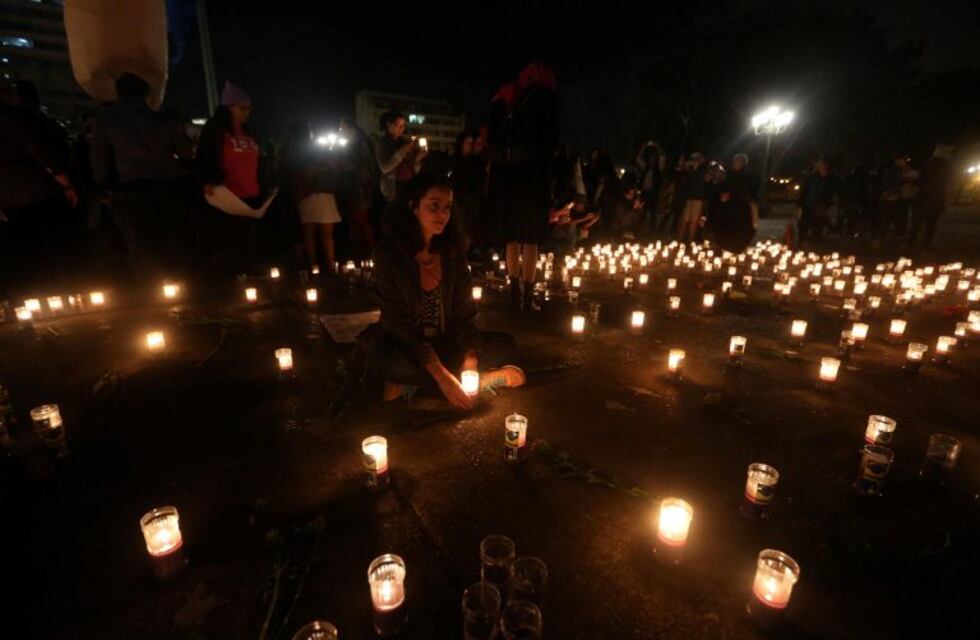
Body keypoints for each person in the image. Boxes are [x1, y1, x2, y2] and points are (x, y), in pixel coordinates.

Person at [360, 174, 525, 409]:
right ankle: (476, 380)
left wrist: (469, 360)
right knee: (385, 362)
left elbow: (465, 313)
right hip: (407, 346)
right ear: (413, 206)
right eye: (434, 206)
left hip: (447, 341)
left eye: (447, 207)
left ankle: (413, 385)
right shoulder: (389, 255)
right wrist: (440, 374)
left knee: (505, 343)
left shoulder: (452, 254)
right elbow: (397, 324)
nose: (443, 214)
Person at [90, 73, 193, 278]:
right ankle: (182, 280)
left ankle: (153, 284)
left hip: (131, 187)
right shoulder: (164, 121)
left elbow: (99, 158)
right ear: (147, 95)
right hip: (168, 184)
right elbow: (185, 153)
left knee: (142, 238)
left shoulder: (107, 122)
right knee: (173, 235)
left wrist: (102, 186)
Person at [490, 63, 559, 312]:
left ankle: (513, 294)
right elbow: (549, 144)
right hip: (532, 181)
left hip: (509, 181)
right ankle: (528, 298)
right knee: (531, 242)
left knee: (512, 240)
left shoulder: (508, 99)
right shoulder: (543, 99)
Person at [0, 84, 79, 294]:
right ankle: (62, 286)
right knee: (52, 242)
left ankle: (37, 292)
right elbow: (41, 152)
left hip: (7, 197)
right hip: (33, 189)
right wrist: (66, 183)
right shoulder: (15, 118)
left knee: (27, 247)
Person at [195, 81, 266, 276]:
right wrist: (208, 179)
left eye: (249, 108)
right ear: (229, 107)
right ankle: (231, 278)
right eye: (242, 108)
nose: (247, 112)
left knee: (249, 239)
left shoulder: (250, 131)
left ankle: (248, 276)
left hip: (251, 195)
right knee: (228, 239)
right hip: (227, 196)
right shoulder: (216, 129)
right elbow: (206, 155)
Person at [907, 145, 953, 250]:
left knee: (917, 223)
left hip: (923, 198)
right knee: (930, 224)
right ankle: (924, 244)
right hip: (935, 199)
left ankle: (911, 243)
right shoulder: (945, 167)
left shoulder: (927, 166)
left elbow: (920, 180)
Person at [375, 110, 426, 203]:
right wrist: (402, 152)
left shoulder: (403, 142)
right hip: (394, 188)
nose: (401, 129)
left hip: (408, 185)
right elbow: (384, 168)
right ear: (388, 124)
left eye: (403, 126)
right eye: (398, 125)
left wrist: (418, 159)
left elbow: (413, 167)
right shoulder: (382, 144)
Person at [450, 130, 486, 250]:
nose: (471, 145)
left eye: (472, 143)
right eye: (468, 142)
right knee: (458, 227)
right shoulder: (454, 159)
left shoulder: (476, 161)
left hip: (471, 199)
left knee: (468, 228)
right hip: (458, 198)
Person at [703, 182, 755, 253]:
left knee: (710, 229)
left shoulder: (731, 207)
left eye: (723, 194)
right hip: (740, 239)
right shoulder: (742, 203)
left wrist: (706, 225)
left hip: (735, 238)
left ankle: (723, 247)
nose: (721, 197)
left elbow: (721, 225)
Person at [676, 151, 707, 243]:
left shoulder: (703, 170)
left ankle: (690, 240)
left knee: (694, 221)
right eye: (692, 159)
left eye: (696, 159)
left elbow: (700, 180)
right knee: (684, 219)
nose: (694, 161)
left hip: (697, 197)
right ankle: (679, 239)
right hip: (687, 197)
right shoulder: (687, 169)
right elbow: (682, 178)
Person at [725, 153, 760, 230]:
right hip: (732, 198)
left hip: (746, 198)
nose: (735, 163)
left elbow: (754, 187)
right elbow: (726, 186)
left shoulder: (750, 174)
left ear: (743, 163)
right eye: (735, 161)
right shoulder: (729, 174)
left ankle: (753, 225)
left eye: (738, 161)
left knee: (752, 206)